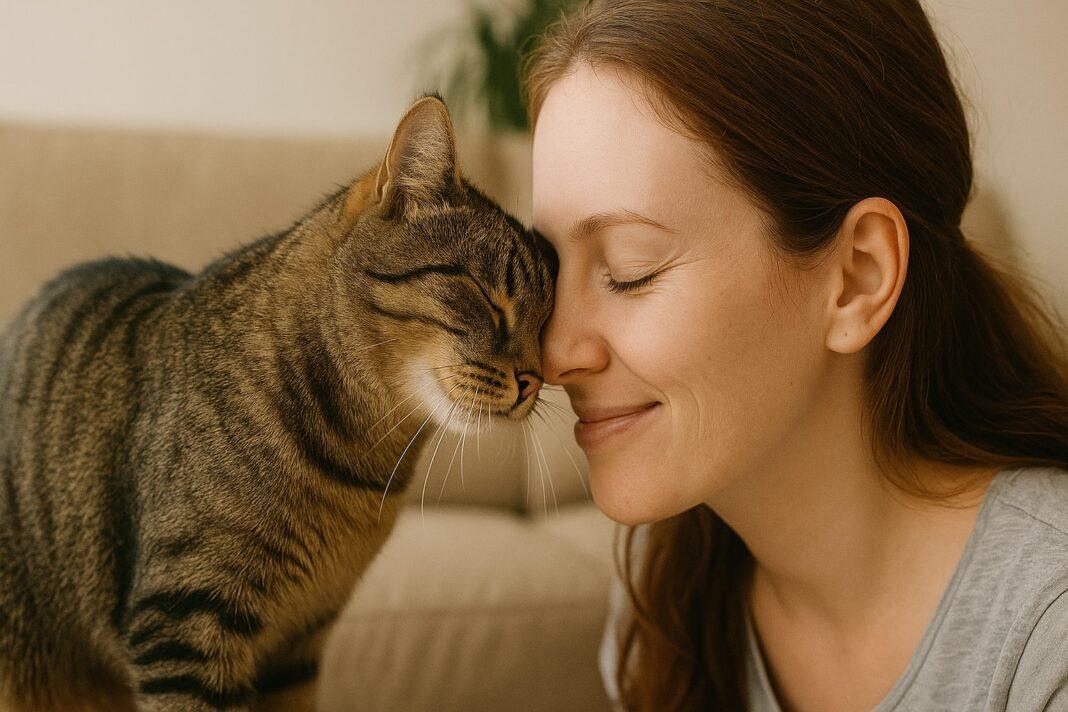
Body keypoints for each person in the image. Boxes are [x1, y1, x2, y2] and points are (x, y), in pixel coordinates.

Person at [522, 1, 1068, 710]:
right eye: (548, 269)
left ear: (857, 278)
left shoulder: (1045, 631)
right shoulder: (664, 601)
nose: (556, 352)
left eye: (631, 269)